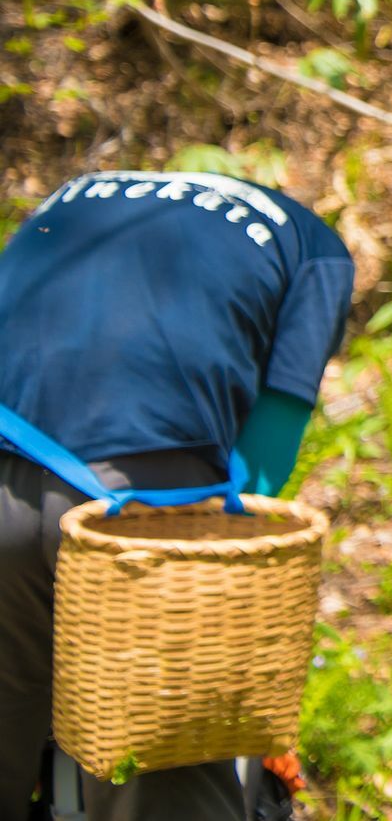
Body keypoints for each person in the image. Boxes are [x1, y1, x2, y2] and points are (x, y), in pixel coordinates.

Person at [0, 170, 354, 821]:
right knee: (164, 793)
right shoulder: (318, 249)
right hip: (140, 518)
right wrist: (237, 695)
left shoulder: (74, 193)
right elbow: (258, 475)